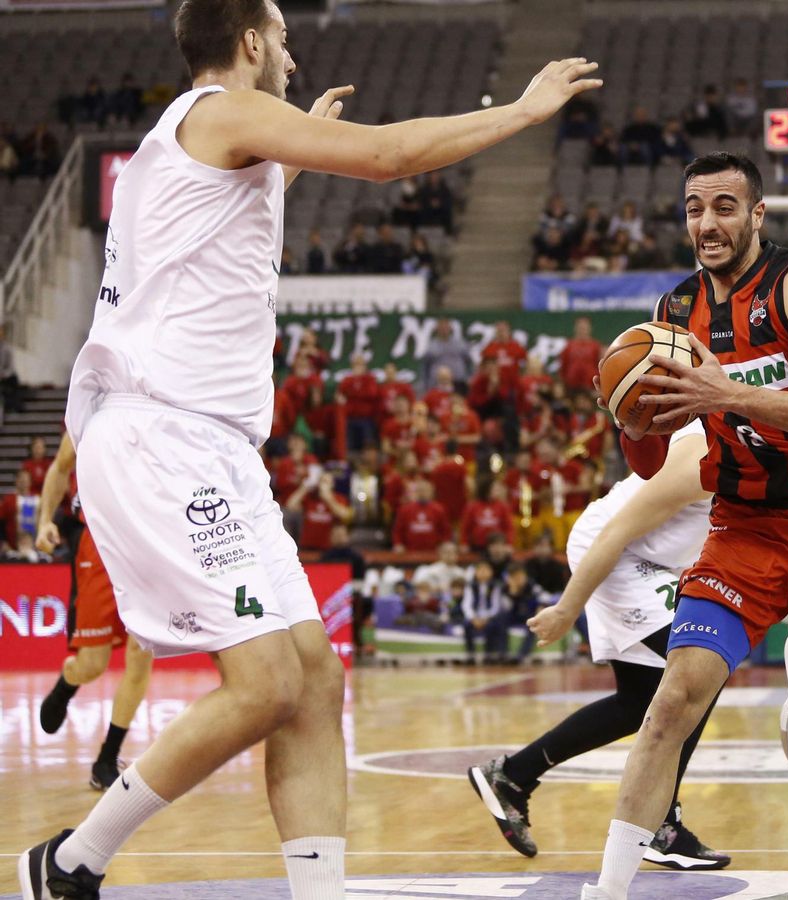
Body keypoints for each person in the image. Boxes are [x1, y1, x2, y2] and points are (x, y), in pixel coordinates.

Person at [23, 1, 598, 891]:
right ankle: (70, 861)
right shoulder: (222, 109)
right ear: (251, 42)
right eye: (283, 36)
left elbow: (211, 242)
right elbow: (389, 157)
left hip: (207, 445)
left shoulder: (194, 148)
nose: (292, 53)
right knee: (264, 686)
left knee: (315, 679)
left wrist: (288, 162)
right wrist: (521, 112)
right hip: (166, 437)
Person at [583, 152, 788, 900]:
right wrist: (631, 415)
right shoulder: (670, 317)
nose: (708, 223)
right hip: (743, 525)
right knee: (673, 700)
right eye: (695, 208)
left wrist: (726, 393)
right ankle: (606, 890)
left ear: (757, 215)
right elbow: (648, 455)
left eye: (725, 207)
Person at [470, 421, 730, 869]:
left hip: (646, 555)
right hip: (613, 549)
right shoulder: (702, 456)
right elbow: (615, 535)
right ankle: (660, 824)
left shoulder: (758, 444)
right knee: (700, 669)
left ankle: (513, 775)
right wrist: (566, 610)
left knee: (639, 701)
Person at [34, 434, 156, 792]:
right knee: (93, 664)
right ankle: (68, 682)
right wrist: (44, 521)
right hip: (100, 542)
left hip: (150, 543)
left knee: (142, 652)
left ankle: (107, 757)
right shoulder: (92, 406)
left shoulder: (166, 403)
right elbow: (59, 468)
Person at [421, 319, 474, 391]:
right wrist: (426, 384)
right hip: (437, 384)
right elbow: (425, 367)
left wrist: (470, 377)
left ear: (450, 328)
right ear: (436, 329)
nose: (444, 330)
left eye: (446, 327)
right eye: (441, 328)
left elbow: (469, 361)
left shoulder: (460, 344)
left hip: (458, 382)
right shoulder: (431, 346)